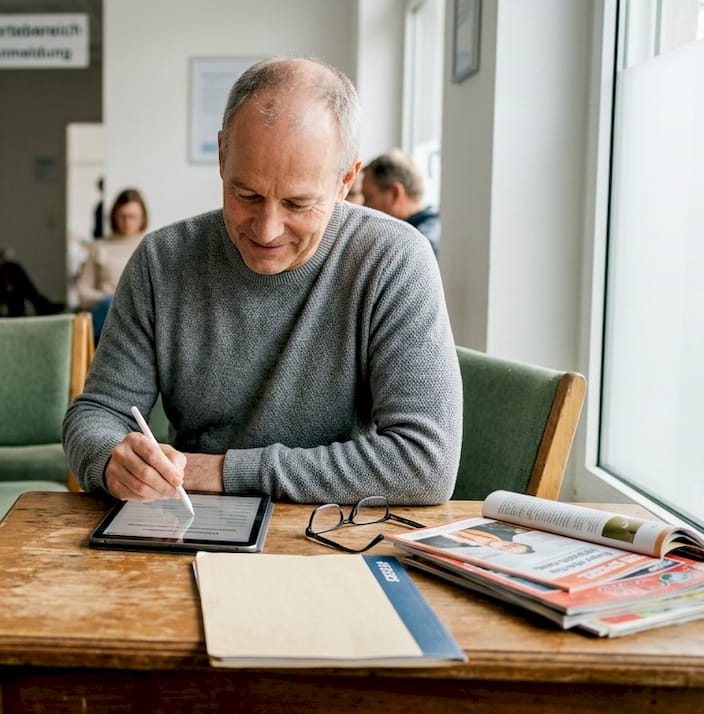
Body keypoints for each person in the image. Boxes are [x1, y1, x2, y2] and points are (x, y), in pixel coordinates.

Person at [61, 57, 461, 506]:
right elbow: (95, 415)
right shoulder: (162, 261)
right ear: (221, 157)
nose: (267, 230)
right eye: (246, 194)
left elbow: (426, 462)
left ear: (345, 180)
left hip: (337, 529)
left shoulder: (394, 260)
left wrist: (222, 471)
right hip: (191, 525)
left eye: (297, 203)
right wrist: (112, 459)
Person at [74, 188, 149, 341]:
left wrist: (123, 293)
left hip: (138, 311)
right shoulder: (99, 247)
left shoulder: (149, 246)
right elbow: (83, 293)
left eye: (132, 217)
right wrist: (108, 295)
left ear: (142, 218)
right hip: (106, 310)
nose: (127, 222)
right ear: (114, 217)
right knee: (113, 303)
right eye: (122, 216)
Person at [360, 148, 440, 256]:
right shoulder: (431, 230)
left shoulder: (415, 248)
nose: (364, 206)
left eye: (368, 197)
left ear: (395, 193)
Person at [416, 522, 536, 555]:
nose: (506, 546)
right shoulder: (502, 529)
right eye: (512, 545)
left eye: (507, 549)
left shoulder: (457, 549)